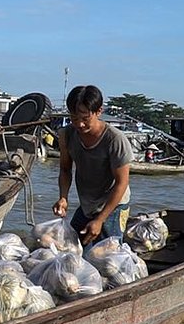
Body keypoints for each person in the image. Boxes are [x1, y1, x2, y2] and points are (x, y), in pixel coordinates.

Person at [52, 85, 134, 247]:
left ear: (98, 112)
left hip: (113, 207)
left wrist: (100, 219)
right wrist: (63, 197)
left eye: (85, 118)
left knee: (107, 257)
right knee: (69, 248)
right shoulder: (66, 135)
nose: (80, 124)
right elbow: (65, 169)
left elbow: (121, 183)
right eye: (74, 118)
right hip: (87, 206)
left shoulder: (115, 140)